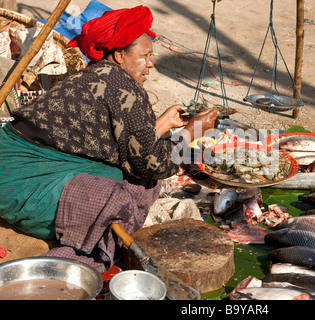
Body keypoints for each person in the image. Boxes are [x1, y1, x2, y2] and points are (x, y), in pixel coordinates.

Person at [0, 5, 218, 272]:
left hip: (7, 162)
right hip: (20, 185)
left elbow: (115, 137)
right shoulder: (125, 88)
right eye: (145, 55)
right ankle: (73, 242)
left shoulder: (92, 74)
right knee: (126, 189)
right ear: (119, 54)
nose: (150, 63)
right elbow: (154, 165)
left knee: (122, 169)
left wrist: (163, 124)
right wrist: (190, 133)